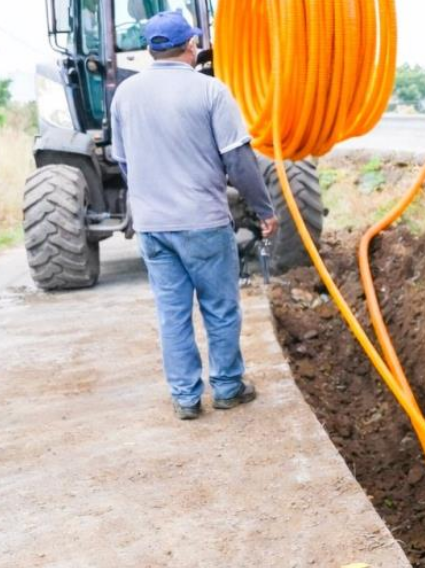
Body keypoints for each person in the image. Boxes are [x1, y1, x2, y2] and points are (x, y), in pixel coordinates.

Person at [110, 10, 278, 420]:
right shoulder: (211, 91)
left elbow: (124, 162)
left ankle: (185, 398)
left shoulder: (125, 95)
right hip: (203, 222)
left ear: (151, 50)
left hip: (153, 227)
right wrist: (263, 210)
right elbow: (238, 161)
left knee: (172, 314)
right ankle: (226, 387)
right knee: (220, 308)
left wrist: (148, 200)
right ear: (191, 46)